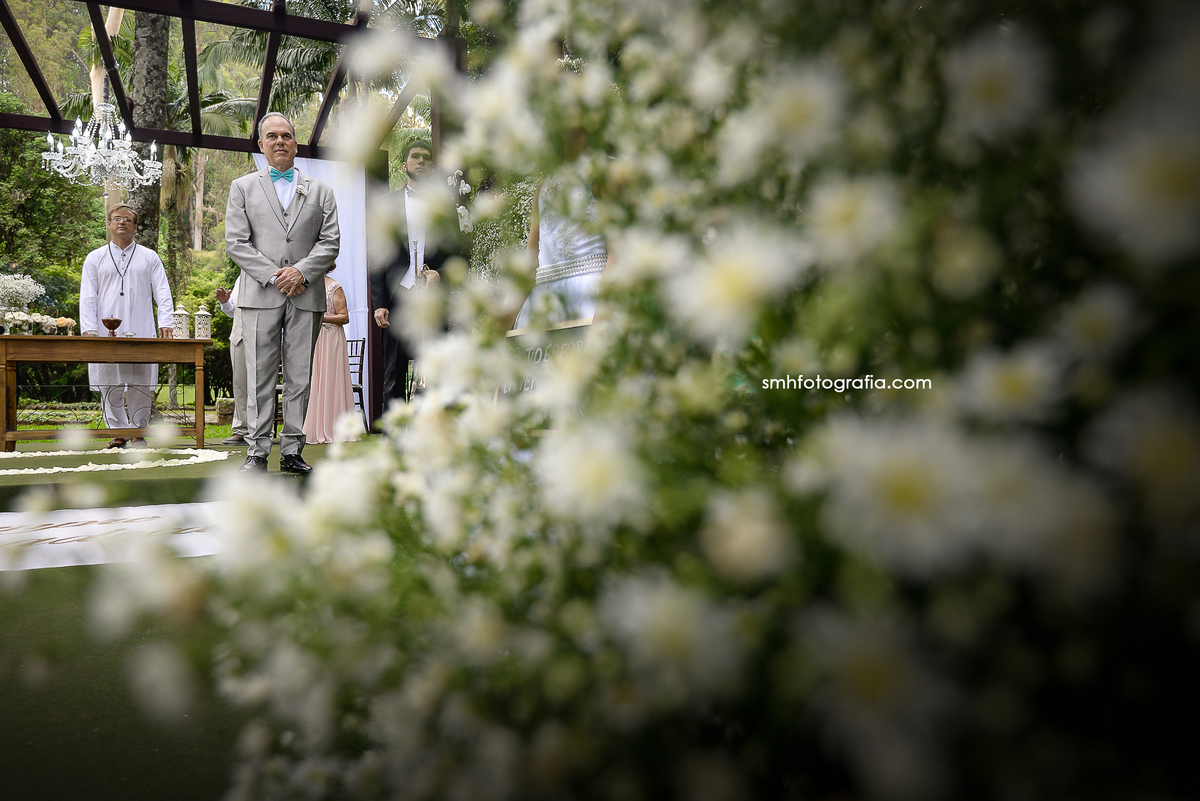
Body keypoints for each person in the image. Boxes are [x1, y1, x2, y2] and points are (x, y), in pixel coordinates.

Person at [225, 111, 340, 474]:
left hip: (306, 295)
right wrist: (276, 276)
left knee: (300, 376)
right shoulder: (242, 187)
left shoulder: (321, 190)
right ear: (261, 145)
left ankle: (292, 450)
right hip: (259, 295)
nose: (280, 141)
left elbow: (330, 242)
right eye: (272, 136)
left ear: (295, 143)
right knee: (258, 374)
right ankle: (257, 451)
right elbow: (236, 243)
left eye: (286, 136)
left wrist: (301, 272)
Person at [370, 140, 464, 411]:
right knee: (394, 371)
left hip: (432, 299)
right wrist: (380, 303)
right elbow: (375, 258)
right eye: (415, 157)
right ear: (404, 165)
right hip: (397, 296)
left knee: (435, 367)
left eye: (426, 157)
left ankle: (433, 427)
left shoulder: (445, 207)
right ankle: (395, 434)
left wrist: (440, 274)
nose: (421, 161)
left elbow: (457, 256)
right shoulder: (385, 204)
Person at [78, 203, 174, 449]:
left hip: (141, 326)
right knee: (109, 381)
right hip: (103, 329)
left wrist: (166, 322)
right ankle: (118, 433)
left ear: (135, 226)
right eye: (117, 218)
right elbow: (88, 296)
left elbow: (162, 291)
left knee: (140, 381)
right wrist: (89, 329)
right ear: (109, 224)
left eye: (127, 219)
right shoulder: (95, 257)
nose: (122, 222)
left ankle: (138, 432)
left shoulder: (149, 256)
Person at [302, 269, 357, 443]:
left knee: (332, 379)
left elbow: (344, 316)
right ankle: (315, 427)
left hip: (332, 337)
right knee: (315, 380)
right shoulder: (307, 287)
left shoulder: (334, 287)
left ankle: (336, 428)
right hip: (315, 337)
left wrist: (321, 318)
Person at [214, 279, 248, 446]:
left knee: (261, 385)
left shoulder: (272, 274)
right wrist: (225, 302)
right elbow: (232, 311)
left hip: (264, 337)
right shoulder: (240, 279)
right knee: (240, 385)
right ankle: (241, 430)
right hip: (238, 336)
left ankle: (262, 431)